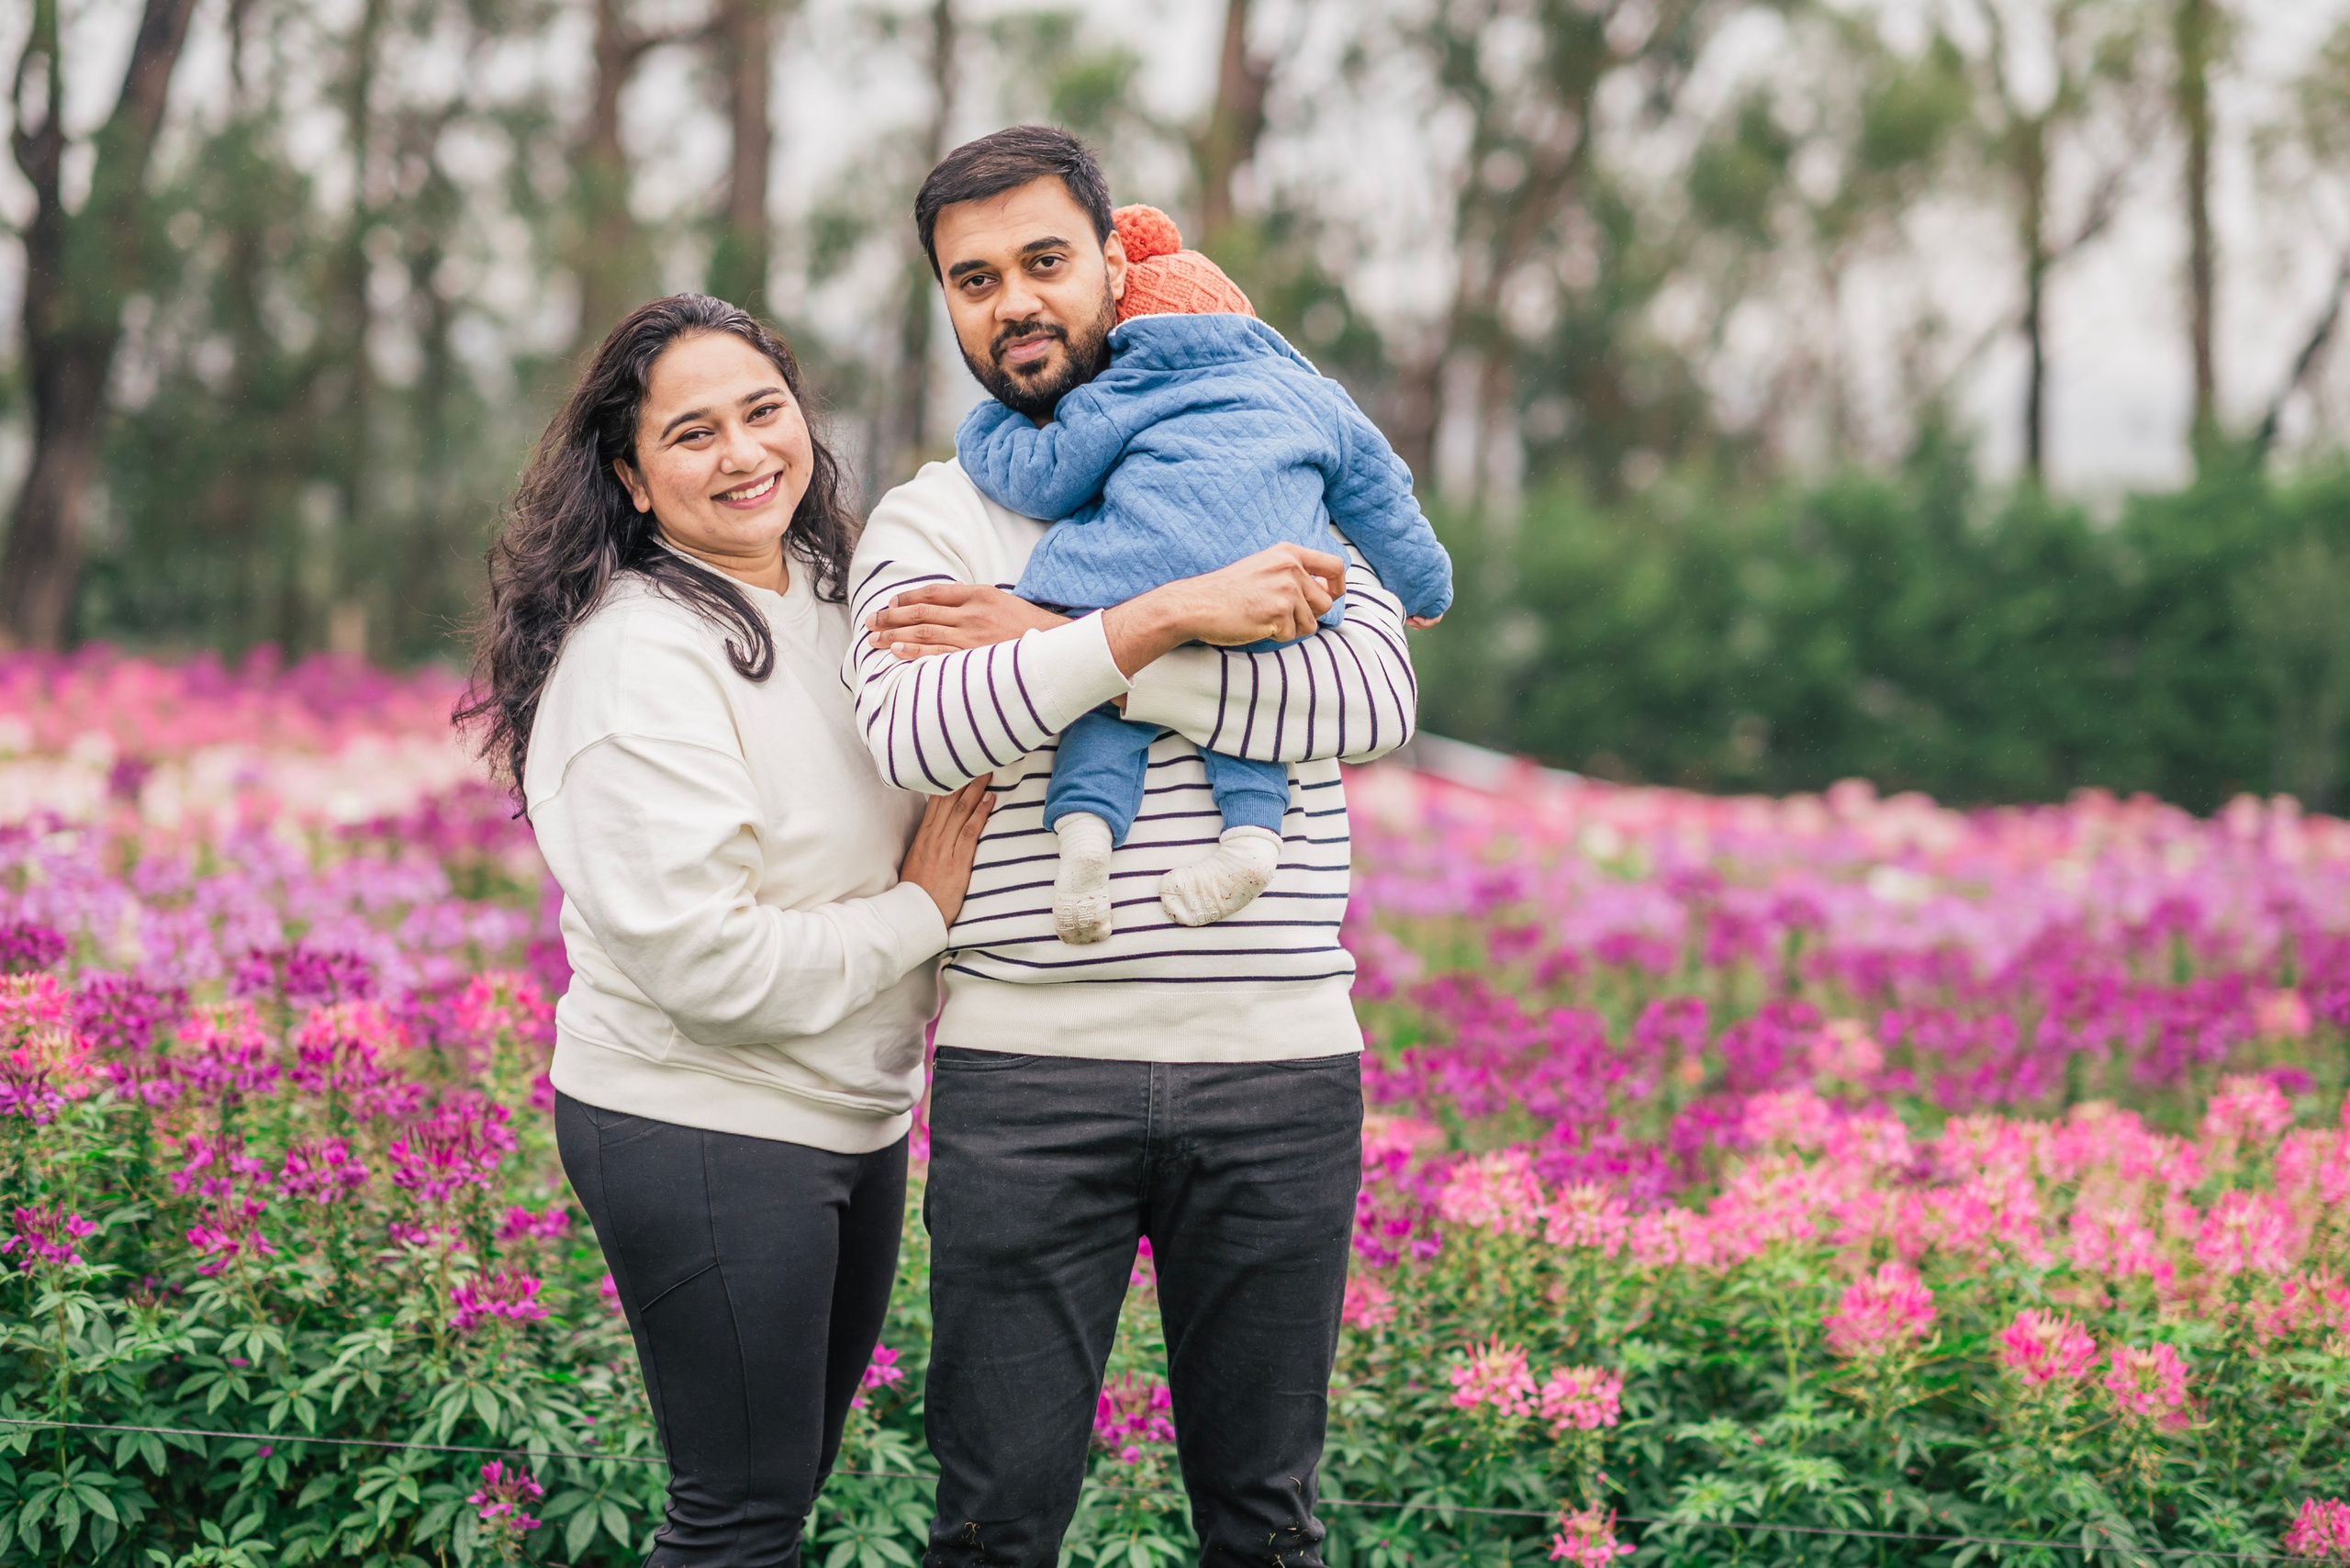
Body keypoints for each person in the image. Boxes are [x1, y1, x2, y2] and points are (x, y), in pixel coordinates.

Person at [848, 127, 1425, 1568]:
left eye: (1045, 261)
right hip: (1028, 1075)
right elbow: (916, 733)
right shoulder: (938, 512)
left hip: (1279, 1064)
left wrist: (1063, 644)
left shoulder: (1275, 444)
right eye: (975, 279)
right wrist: (1167, 617)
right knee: (994, 1527)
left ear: (1118, 260)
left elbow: (1367, 698)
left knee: (1265, 1527)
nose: (1015, 302)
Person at [459, 293, 992, 1567]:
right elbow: (712, 963)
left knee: (772, 1500)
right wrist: (920, 912)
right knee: (738, 1517)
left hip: (851, 1111)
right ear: (632, 479)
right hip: (703, 1117)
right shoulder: (639, 658)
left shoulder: (840, 596)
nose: (745, 453)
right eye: (692, 434)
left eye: (764, 411)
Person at [952, 202, 1452, 944]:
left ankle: (1086, 836)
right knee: (1254, 713)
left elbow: (1044, 479)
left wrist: (985, 424)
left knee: (1101, 691)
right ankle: (1252, 839)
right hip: (1276, 592)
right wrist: (1426, 586)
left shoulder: (1122, 388)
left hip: (1129, 581)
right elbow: (1384, 498)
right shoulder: (1311, 394)